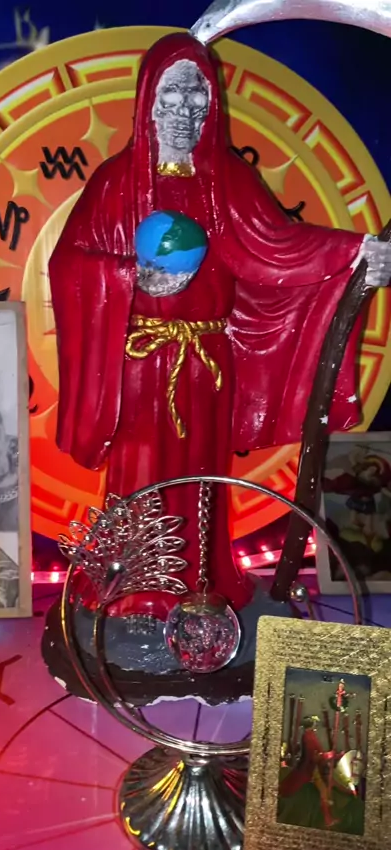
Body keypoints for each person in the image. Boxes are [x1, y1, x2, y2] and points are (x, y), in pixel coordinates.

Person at [49, 33, 391, 621]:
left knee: (203, 474)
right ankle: (135, 587)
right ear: (147, 101)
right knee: (142, 471)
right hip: (140, 361)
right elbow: (68, 264)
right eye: (172, 94)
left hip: (207, 361)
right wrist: (130, 278)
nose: (184, 109)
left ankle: (203, 581)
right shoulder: (114, 183)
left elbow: (280, 247)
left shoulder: (227, 180)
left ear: (212, 104)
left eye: (197, 95)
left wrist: (356, 253)